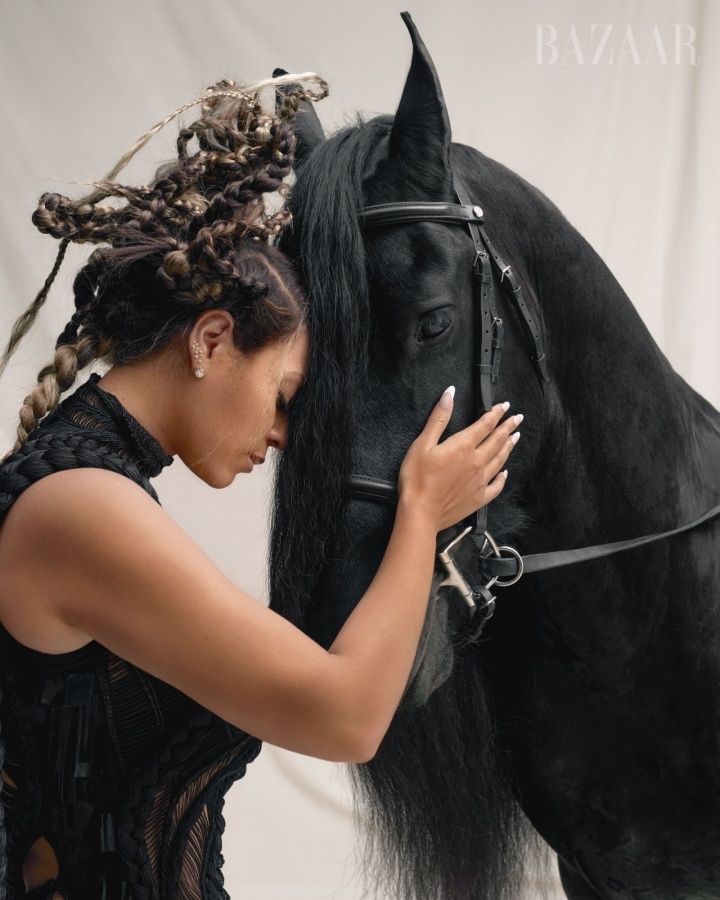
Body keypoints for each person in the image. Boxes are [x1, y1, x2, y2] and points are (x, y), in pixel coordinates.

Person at [0, 75, 521, 899]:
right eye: (284, 396)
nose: (282, 438)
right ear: (212, 338)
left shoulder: (92, 486)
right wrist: (420, 516)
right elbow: (347, 716)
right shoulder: (79, 506)